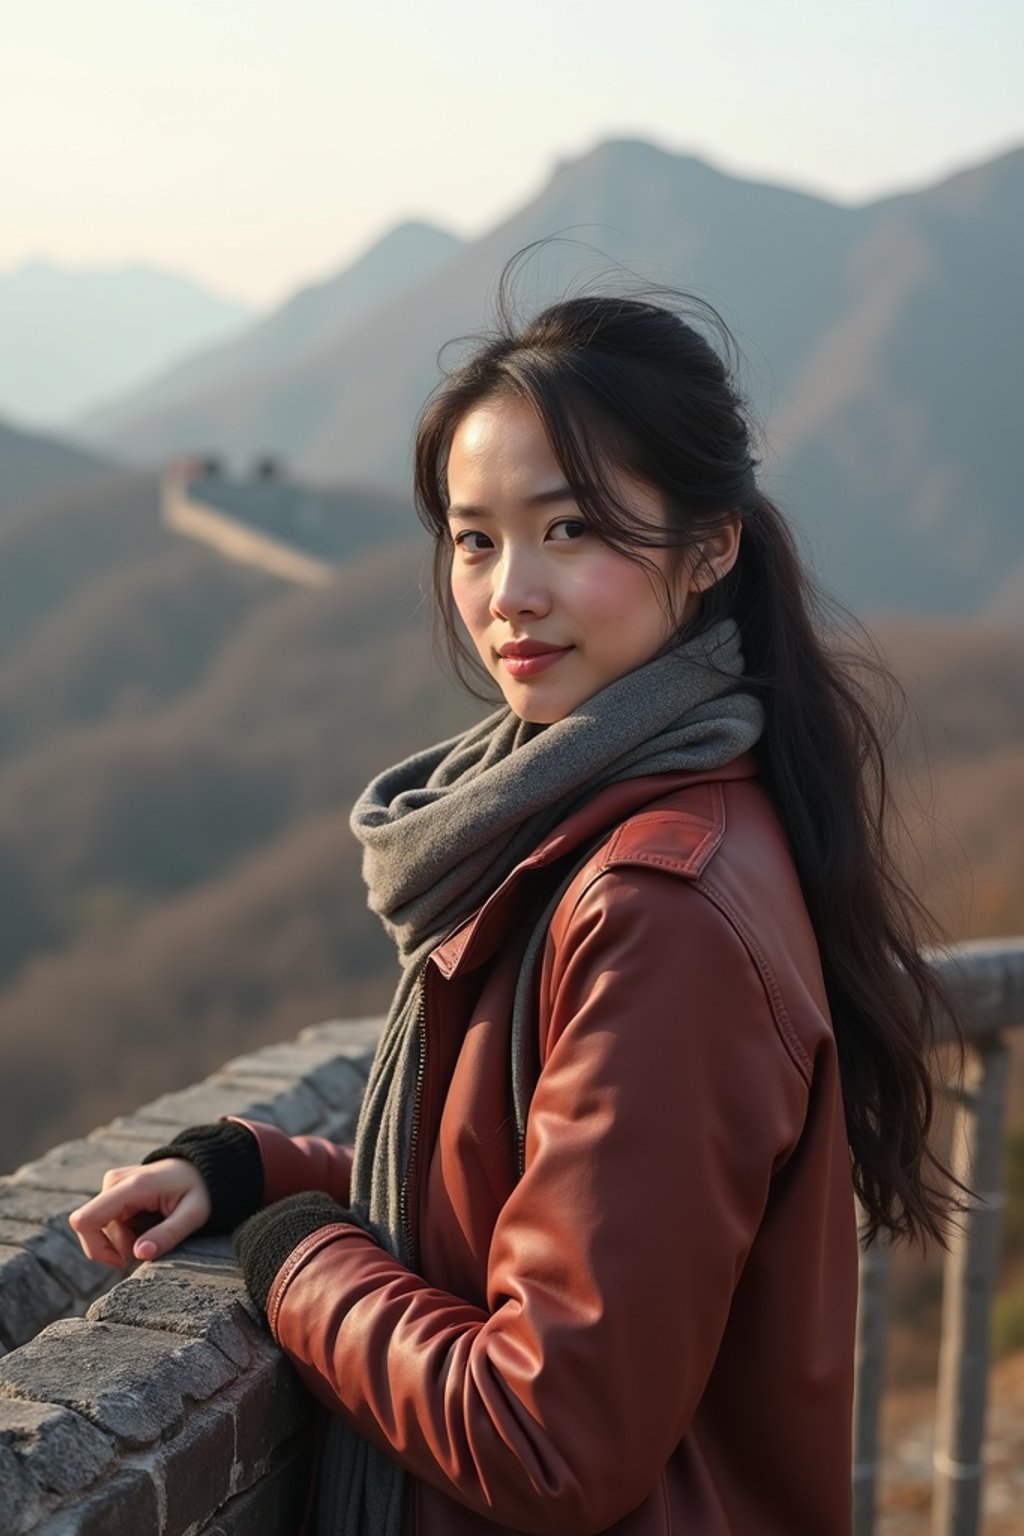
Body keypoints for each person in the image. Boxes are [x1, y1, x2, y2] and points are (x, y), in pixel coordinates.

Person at [70, 277, 963, 1536]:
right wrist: (264, 1166)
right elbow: (532, 1207)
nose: (508, 594)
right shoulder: (616, 829)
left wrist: (296, 1255)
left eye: (572, 531)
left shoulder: (658, 905)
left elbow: (546, 1438)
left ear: (709, 548)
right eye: (476, 537)